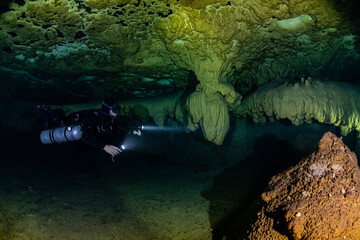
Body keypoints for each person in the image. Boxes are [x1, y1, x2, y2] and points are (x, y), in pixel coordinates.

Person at [39, 98, 123, 157]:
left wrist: (133, 131)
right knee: (55, 123)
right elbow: (85, 135)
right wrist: (105, 147)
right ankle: (45, 111)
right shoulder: (92, 117)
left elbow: (118, 127)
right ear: (107, 109)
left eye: (118, 108)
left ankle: (50, 113)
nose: (118, 111)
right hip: (67, 125)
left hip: (79, 134)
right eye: (115, 109)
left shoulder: (109, 117)